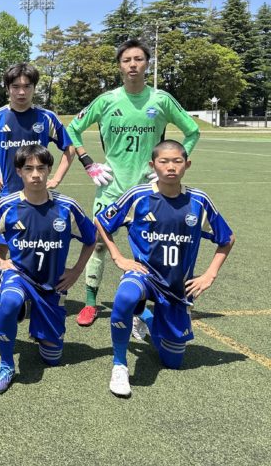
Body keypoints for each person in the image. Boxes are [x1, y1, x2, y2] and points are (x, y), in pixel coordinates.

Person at [67, 39, 200, 327]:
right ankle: (90, 303)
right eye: (127, 60)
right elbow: (73, 129)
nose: (133, 65)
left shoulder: (161, 100)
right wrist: (88, 163)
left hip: (148, 191)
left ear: (147, 64)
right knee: (99, 243)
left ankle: (147, 306)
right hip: (112, 188)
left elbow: (192, 131)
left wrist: (169, 164)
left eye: (138, 59)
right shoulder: (106, 100)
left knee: (152, 248)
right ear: (119, 66)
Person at [96, 140, 234, 397]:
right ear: (153, 165)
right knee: (125, 297)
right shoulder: (138, 196)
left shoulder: (199, 201)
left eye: (177, 161)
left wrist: (209, 274)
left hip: (176, 286)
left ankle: (143, 316)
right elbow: (102, 221)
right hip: (144, 275)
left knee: (172, 361)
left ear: (187, 164)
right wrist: (118, 257)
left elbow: (227, 239)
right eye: (164, 161)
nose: (171, 167)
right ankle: (119, 365)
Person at [0, 145, 95, 394]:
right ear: (19, 172)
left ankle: (35, 314)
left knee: (52, 358)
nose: (35, 174)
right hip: (19, 275)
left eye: (41, 168)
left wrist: (76, 270)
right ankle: (6, 364)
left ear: (49, 170)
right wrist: (1, 262)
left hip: (52, 284)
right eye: (29, 168)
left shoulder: (67, 207)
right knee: (9, 302)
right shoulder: (7, 205)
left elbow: (91, 239)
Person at [0, 63, 74, 325]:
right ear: (7, 88)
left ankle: (36, 295)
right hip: (5, 198)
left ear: (34, 88)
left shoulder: (46, 118)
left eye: (27, 86)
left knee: (37, 246)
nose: (21, 92)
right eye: (15, 86)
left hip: (40, 199)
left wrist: (57, 178)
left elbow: (69, 148)